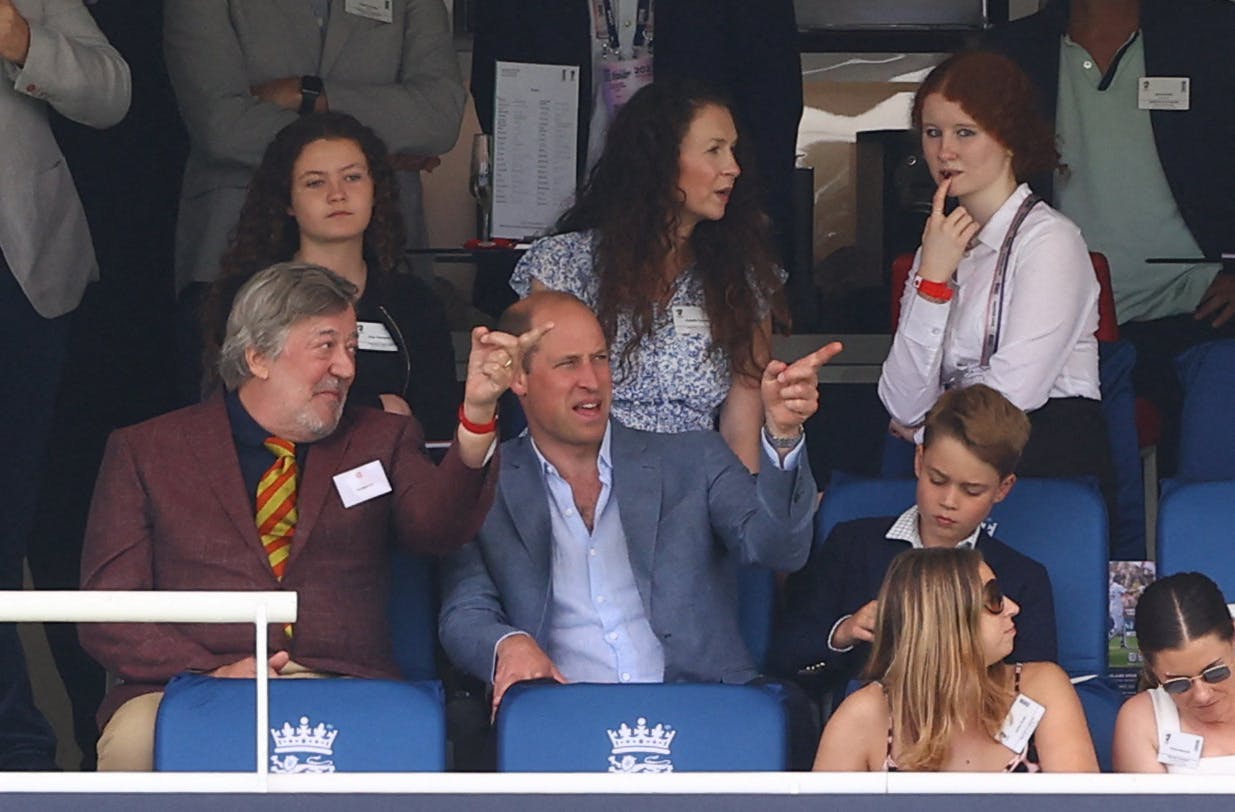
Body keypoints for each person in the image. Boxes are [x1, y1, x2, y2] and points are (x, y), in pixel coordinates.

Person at [79, 264, 537, 771]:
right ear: (257, 357)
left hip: (346, 682)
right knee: (133, 743)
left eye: (351, 349)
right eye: (326, 346)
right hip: (186, 684)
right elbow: (108, 611)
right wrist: (209, 671)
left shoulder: (380, 438)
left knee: (403, 740)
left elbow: (436, 528)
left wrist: (476, 415)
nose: (345, 368)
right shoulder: (147, 450)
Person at [438, 291, 839, 767]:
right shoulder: (482, 482)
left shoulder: (693, 458)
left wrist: (783, 437)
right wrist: (509, 644)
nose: (591, 381)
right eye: (568, 364)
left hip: (703, 715)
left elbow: (780, 550)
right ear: (519, 378)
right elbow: (463, 614)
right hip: (564, 723)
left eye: (600, 358)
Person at [163, 0, 466, 400]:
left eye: (354, 171)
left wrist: (309, 95)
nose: (335, 185)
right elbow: (221, 126)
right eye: (319, 176)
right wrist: (370, 155)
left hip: (384, 247)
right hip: (234, 237)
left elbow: (440, 116)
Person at [985, 0, 1235, 474]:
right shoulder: (1011, 51)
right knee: (1070, 489)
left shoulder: (1213, 35)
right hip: (1064, 322)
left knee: (1208, 484)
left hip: (1201, 308)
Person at [511, 79, 790, 471]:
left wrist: (738, 518)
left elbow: (741, 424)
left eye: (733, 150)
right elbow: (544, 403)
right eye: (714, 150)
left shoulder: (742, 277)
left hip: (697, 491)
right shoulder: (564, 264)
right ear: (660, 160)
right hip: (584, 482)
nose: (733, 167)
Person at [470, 0, 805, 323]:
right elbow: (495, 89)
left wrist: (742, 217)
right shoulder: (555, 262)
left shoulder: (739, 273)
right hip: (555, 209)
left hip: (700, 236)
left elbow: (772, 107)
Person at [879, 50, 1111, 492]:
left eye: (965, 132)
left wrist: (926, 437)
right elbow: (902, 401)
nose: (944, 151)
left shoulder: (1051, 241)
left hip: (1043, 471)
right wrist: (932, 281)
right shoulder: (940, 244)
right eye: (932, 133)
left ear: (1007, 138)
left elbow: (1013, 395)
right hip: (948, 481)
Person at [0, 0, 130, 770]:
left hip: (20, 276)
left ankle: (18, 751)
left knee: (9, 524)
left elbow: (112, 91)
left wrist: (19, 38)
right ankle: (17, 746)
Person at [772, 385, 1056, 699]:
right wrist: (844, 631)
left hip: (974, 738)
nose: (948, 501)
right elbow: (785, 654)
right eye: (937, 479)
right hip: (865, 734)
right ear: (919, 460)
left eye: (971, 490)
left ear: (1003, 488)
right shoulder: (853, 546)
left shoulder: (1022, 580)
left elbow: (1034, 693)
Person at [201, 112, 457, 439]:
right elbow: (239, 410)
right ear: (287, 201)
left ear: (376, 189)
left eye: (352, 177)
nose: (337, 194)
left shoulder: (414, 301)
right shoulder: (247, 296)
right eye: (315, 182)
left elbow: (436, 420)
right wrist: (375, 410)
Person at [814, 547, 1098, 772]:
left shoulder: (1042, 687)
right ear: (945, 621)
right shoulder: (864, 715)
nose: (1013, 607)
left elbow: (1083, 805)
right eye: (994, 599)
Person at [1113, 572, 1235, 773]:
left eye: (1215, 673)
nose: (1202, 695)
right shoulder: (1143, 720)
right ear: (1152, 668)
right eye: (1178, 683)